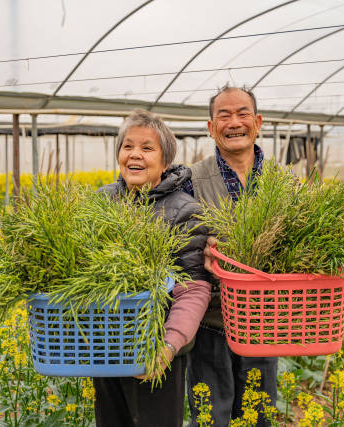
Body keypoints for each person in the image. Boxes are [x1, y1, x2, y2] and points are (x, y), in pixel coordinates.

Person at [94, 109, 212, 427]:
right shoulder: (102, 202)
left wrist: (170, 345)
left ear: (164, 161)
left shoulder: (184, 211)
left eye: (147, 148)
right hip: (106, 343)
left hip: (158, 348)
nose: (135, 155)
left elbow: (195, 286)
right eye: (127, 146)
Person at [184, 85, 278, 427]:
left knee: (258, 416)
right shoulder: (189, 180)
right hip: (210, 320)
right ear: (211, 127)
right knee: (210, 417)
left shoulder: (282, 181)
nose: (234, 122)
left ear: (258, 122)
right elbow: (172, 241)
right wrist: (199, 249)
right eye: (224, 115)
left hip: (264, 320)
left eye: (242, 114)